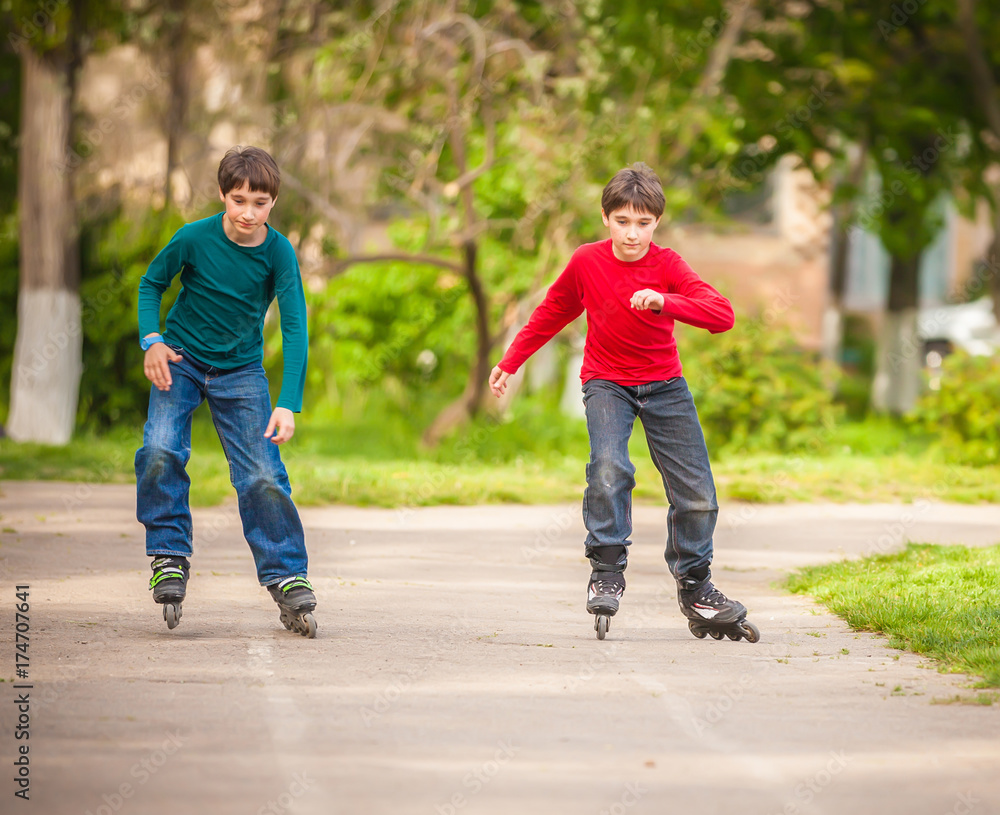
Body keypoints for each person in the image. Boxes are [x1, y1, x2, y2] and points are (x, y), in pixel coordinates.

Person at [489, 162, 758, 642]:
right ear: (605, 218)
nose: (632, 234)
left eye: (643, 223)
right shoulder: (587, 262)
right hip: (606, 382)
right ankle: (607, 568)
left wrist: (664, 301)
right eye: (622, 221)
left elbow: (722, 316)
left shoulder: (669, 265)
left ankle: (696, 585)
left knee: (697, 491)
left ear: (657, 223)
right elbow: (552, 312)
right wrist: (512, 361)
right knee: (610, 467)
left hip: (665, 384)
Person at [135, 145, 317, 637]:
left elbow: (296, 326)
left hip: (241, 373)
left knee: (261, 473)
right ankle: (169, 554)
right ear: (222, 195)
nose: (248, 213)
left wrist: (287, 402)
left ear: (273, 203)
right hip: (181, 361)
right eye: (239, 200)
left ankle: (286, 575)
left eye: (260, 203)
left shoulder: (278, 251)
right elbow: (151, 285)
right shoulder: (193, 238)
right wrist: (151, 340)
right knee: (159, 449)